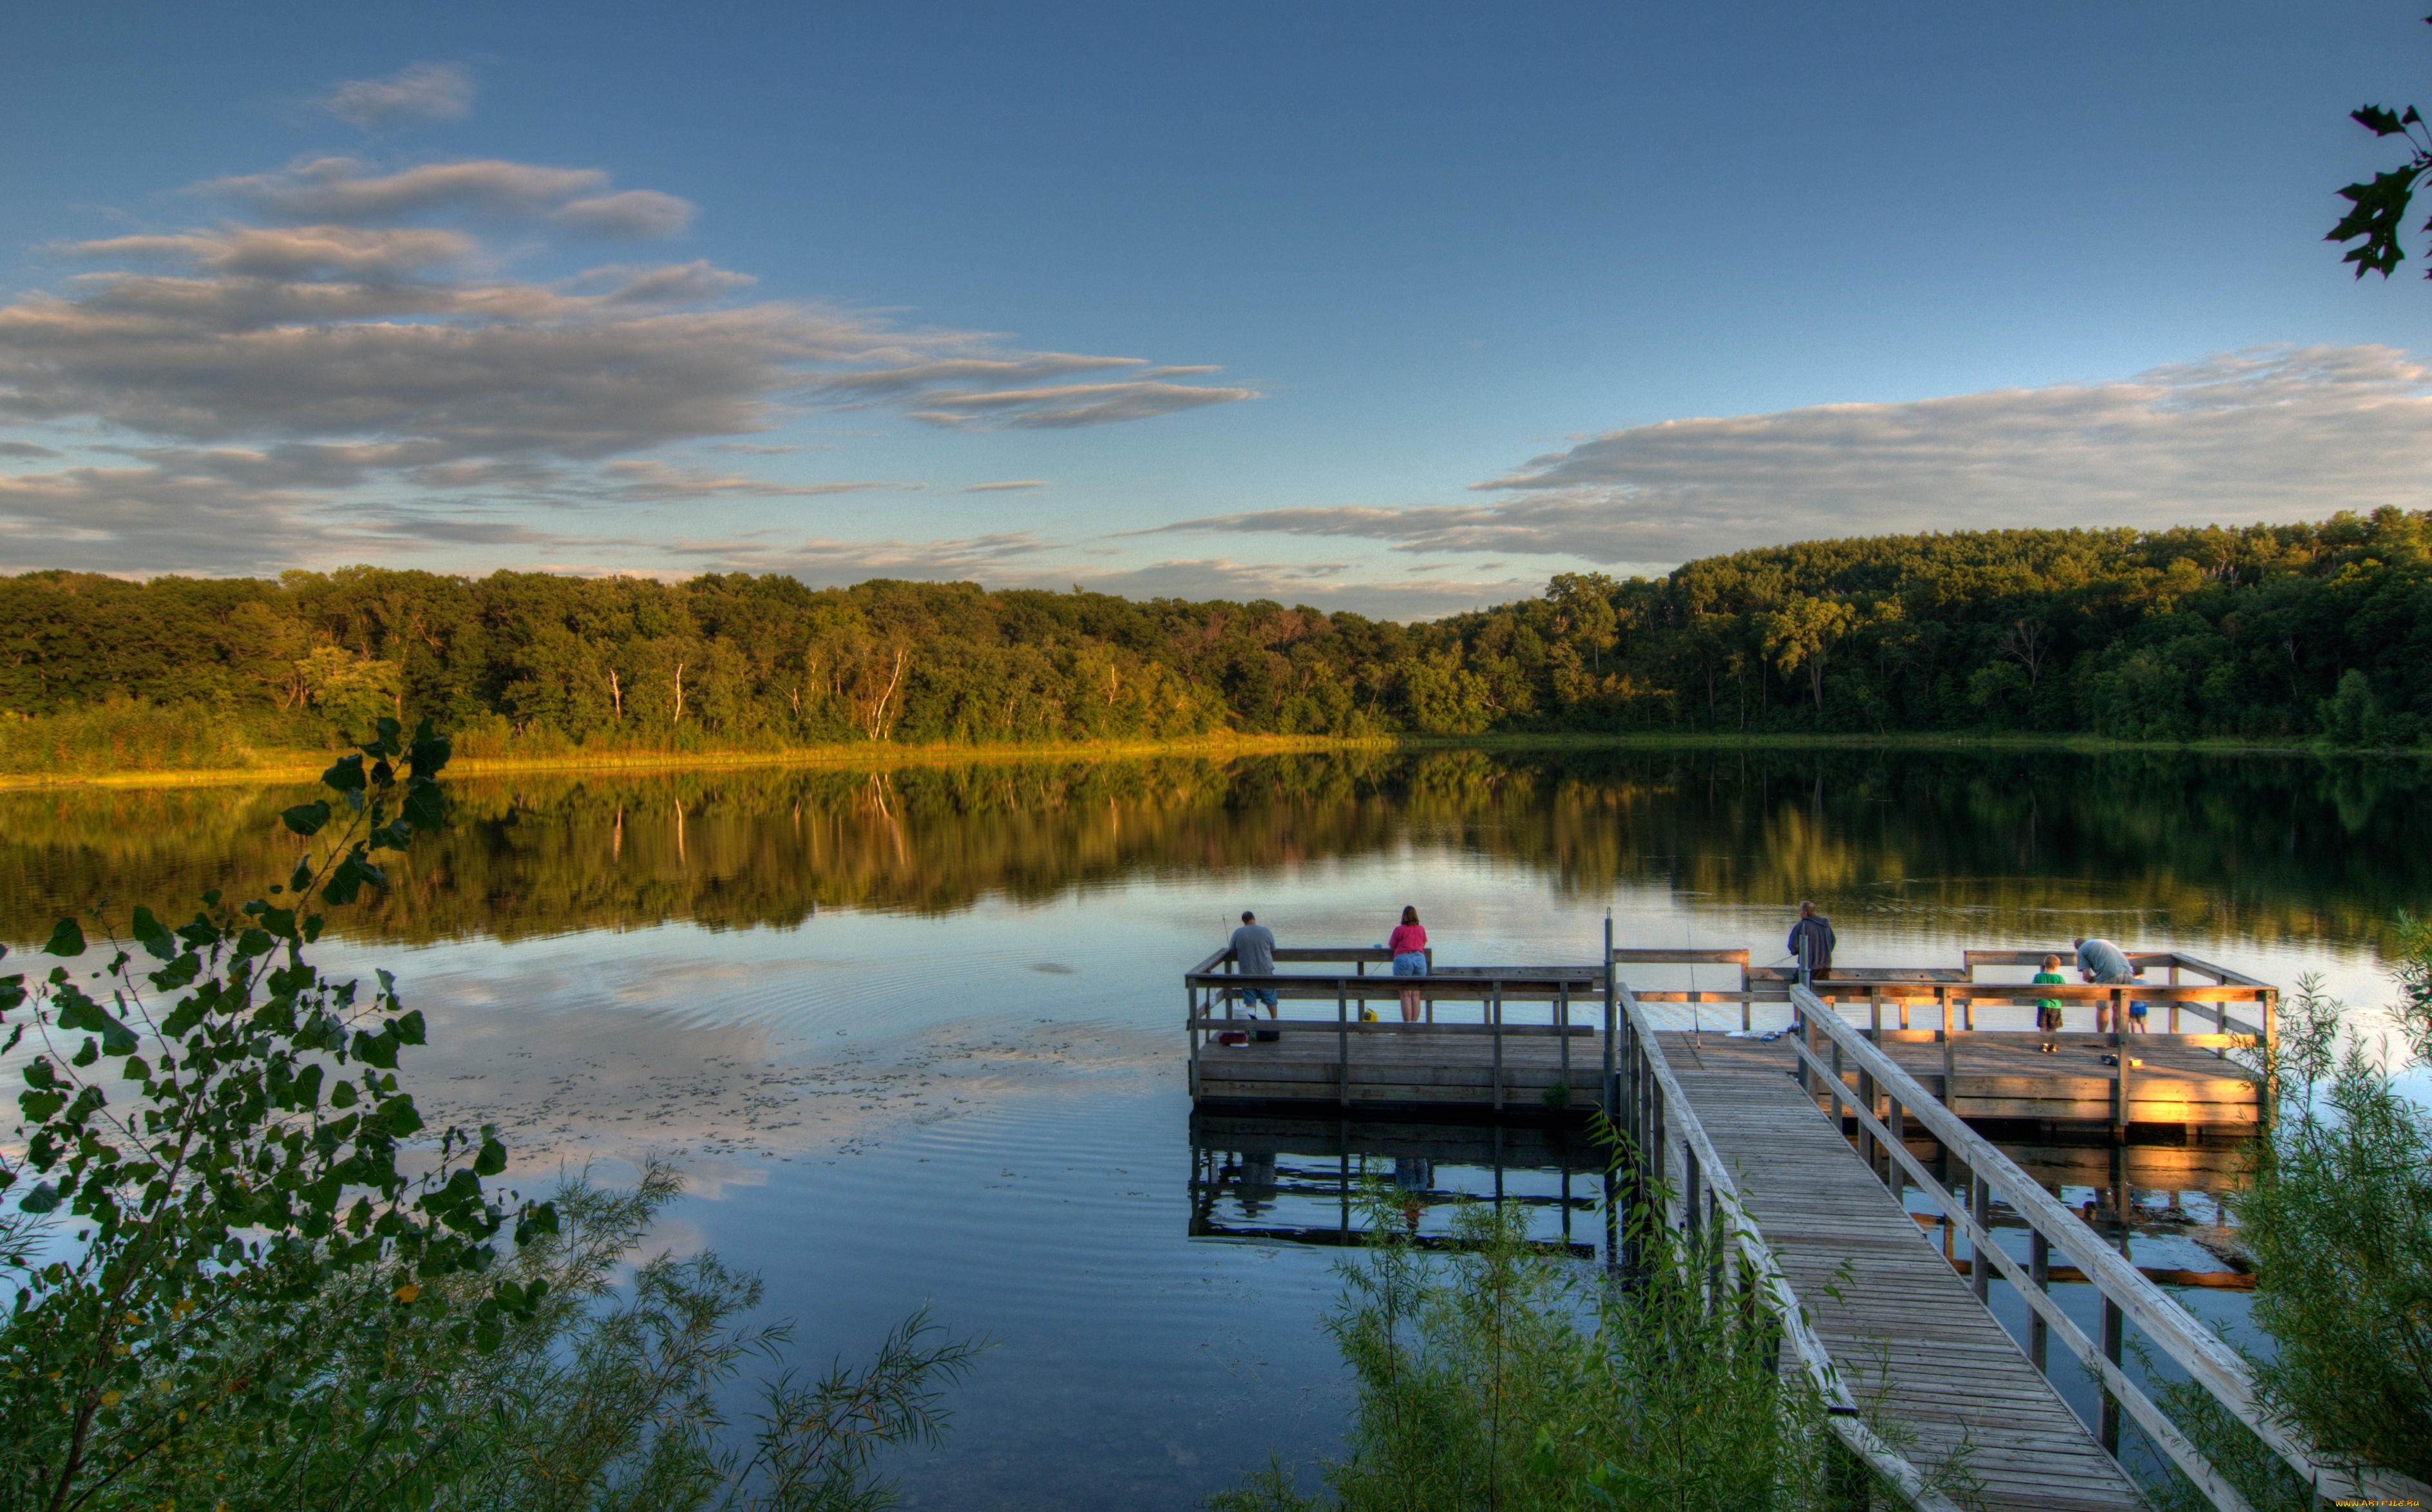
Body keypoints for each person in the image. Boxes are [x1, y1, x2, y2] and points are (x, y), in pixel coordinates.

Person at [2074, 936, 2134, 1034]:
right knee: (2119, 1007)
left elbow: (2087, 976)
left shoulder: (2081, 951)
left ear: (2077, 948)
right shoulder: (2103, 942)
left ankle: (2101, 1040)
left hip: (2110, 974)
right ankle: (2117, 1039)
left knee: (2102, 1007)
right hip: (2128, 973)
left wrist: (2092, 979)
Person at [1230, 911, 1278, 1021]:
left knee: (1250, 1000)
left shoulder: (1238, 932)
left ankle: (1252, 1026)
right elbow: (1273, 948)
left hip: (1247, 973)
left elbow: (1232, 949)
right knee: (1270, 997)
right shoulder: (1266, 931)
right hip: (1265, 972)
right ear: (1254, 918)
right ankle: (1275, 1022)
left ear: (1243, 921)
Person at [1387, 905, 1429, 1023]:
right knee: (1416, 995)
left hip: (1403, 960)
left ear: (1404, 916)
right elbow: (1422, 945)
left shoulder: (1399, 930)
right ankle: (1414, 1026)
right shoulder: (1421, 929)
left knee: (1406, 994)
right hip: (1420, 960)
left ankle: (1408, 1025)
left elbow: (1392, 947)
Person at [1788, 902, 1836, 983]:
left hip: (1808, 967)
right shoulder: (1826, 926)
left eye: (1800, 911)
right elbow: (1833, 943)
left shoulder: (1802, 926)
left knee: (1798, 990)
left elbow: (1793, 947)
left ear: (1805, 913)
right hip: (1825, 967)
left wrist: (1797, 952)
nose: (1800, 914)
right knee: (1820, 993)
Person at [2032, 952, 2067, 1054]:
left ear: (2045, 964)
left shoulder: (2038, 976)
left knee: (2043, 1025)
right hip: (2055, 1005)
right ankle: (2053, 1044)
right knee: (2053, 1025)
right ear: (2056, 967)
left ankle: (2044, 1043)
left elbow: (2032, 989)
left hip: (2042, 1004)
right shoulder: (2059, 978)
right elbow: (2064, 990)